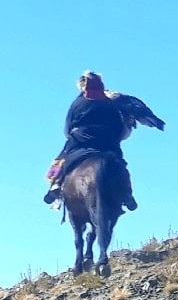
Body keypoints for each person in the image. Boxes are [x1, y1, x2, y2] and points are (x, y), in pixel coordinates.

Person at [43, 71, 138, 211]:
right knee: (121, 164)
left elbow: (68, 128)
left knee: (64, 158)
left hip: (81, 142)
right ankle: (127, 193)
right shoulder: (110, 105)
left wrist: (74, 134)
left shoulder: (78, 103)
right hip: (108, 144)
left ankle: (56, 184)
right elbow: (119, 128)